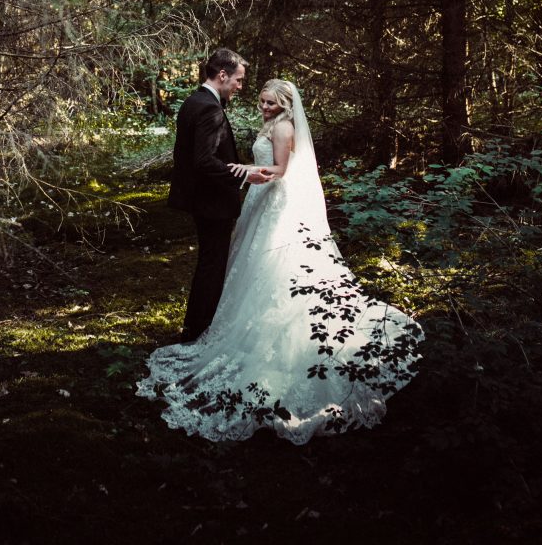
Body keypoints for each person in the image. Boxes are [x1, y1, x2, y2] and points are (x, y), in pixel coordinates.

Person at [138, 78, 424, 443]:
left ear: (286, 104)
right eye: (261, 101)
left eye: (270, 103)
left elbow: (282, 171)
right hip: (259, 200)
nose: (264, 107)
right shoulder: (271, 124)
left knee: (273, 264)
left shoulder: (285, 126)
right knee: (247, 264)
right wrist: (247, 170)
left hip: (274, 201)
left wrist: (244, 170)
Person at [168, 48, 270, 343]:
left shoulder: (193, 101)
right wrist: (244, 174)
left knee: (208, 263)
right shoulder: (209, 108)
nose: (240, 86)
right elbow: (203, 160)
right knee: (213, 265)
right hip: (212, 202)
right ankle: (200, 330)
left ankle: (195, 325)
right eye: (238, 80)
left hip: (201, 199)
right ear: (222, 75)